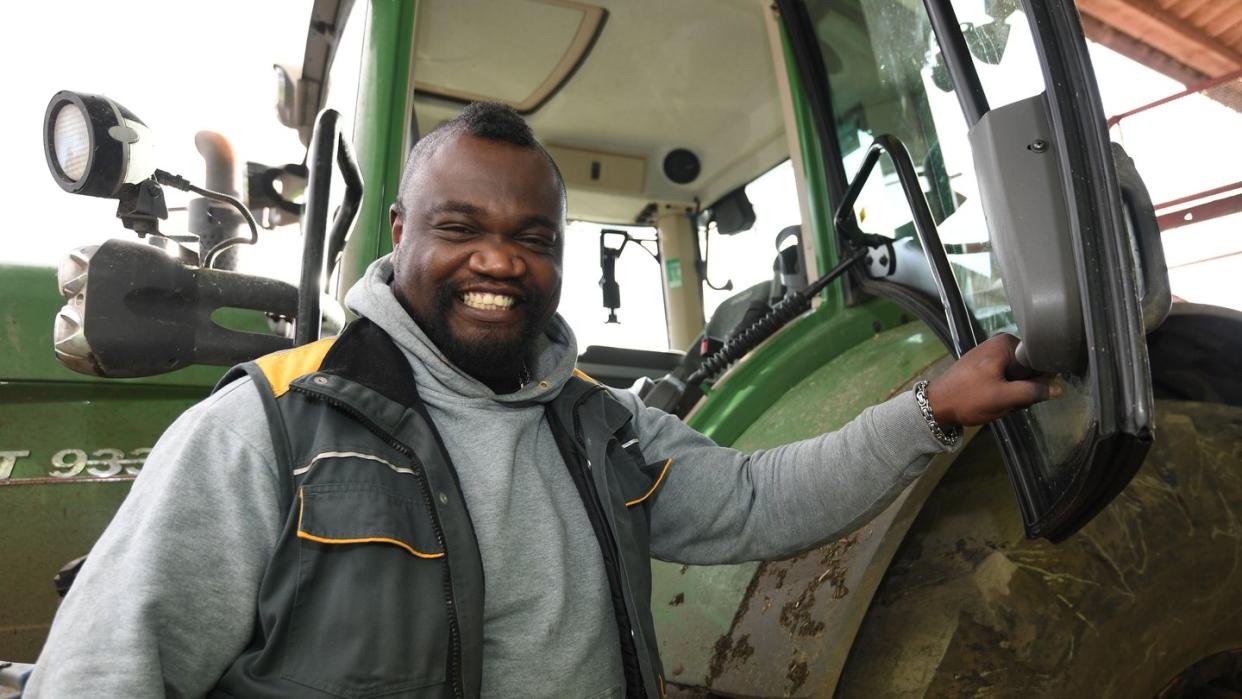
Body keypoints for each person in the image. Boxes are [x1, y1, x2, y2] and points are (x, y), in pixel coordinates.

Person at [26, 102, 1052, 698]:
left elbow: (754, 501)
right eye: (461, 226)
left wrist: (931, 409)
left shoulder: (600, 423)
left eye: (532, 238)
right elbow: (107, 669)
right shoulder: (269, 428)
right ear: (398, 230)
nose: (498, 262)